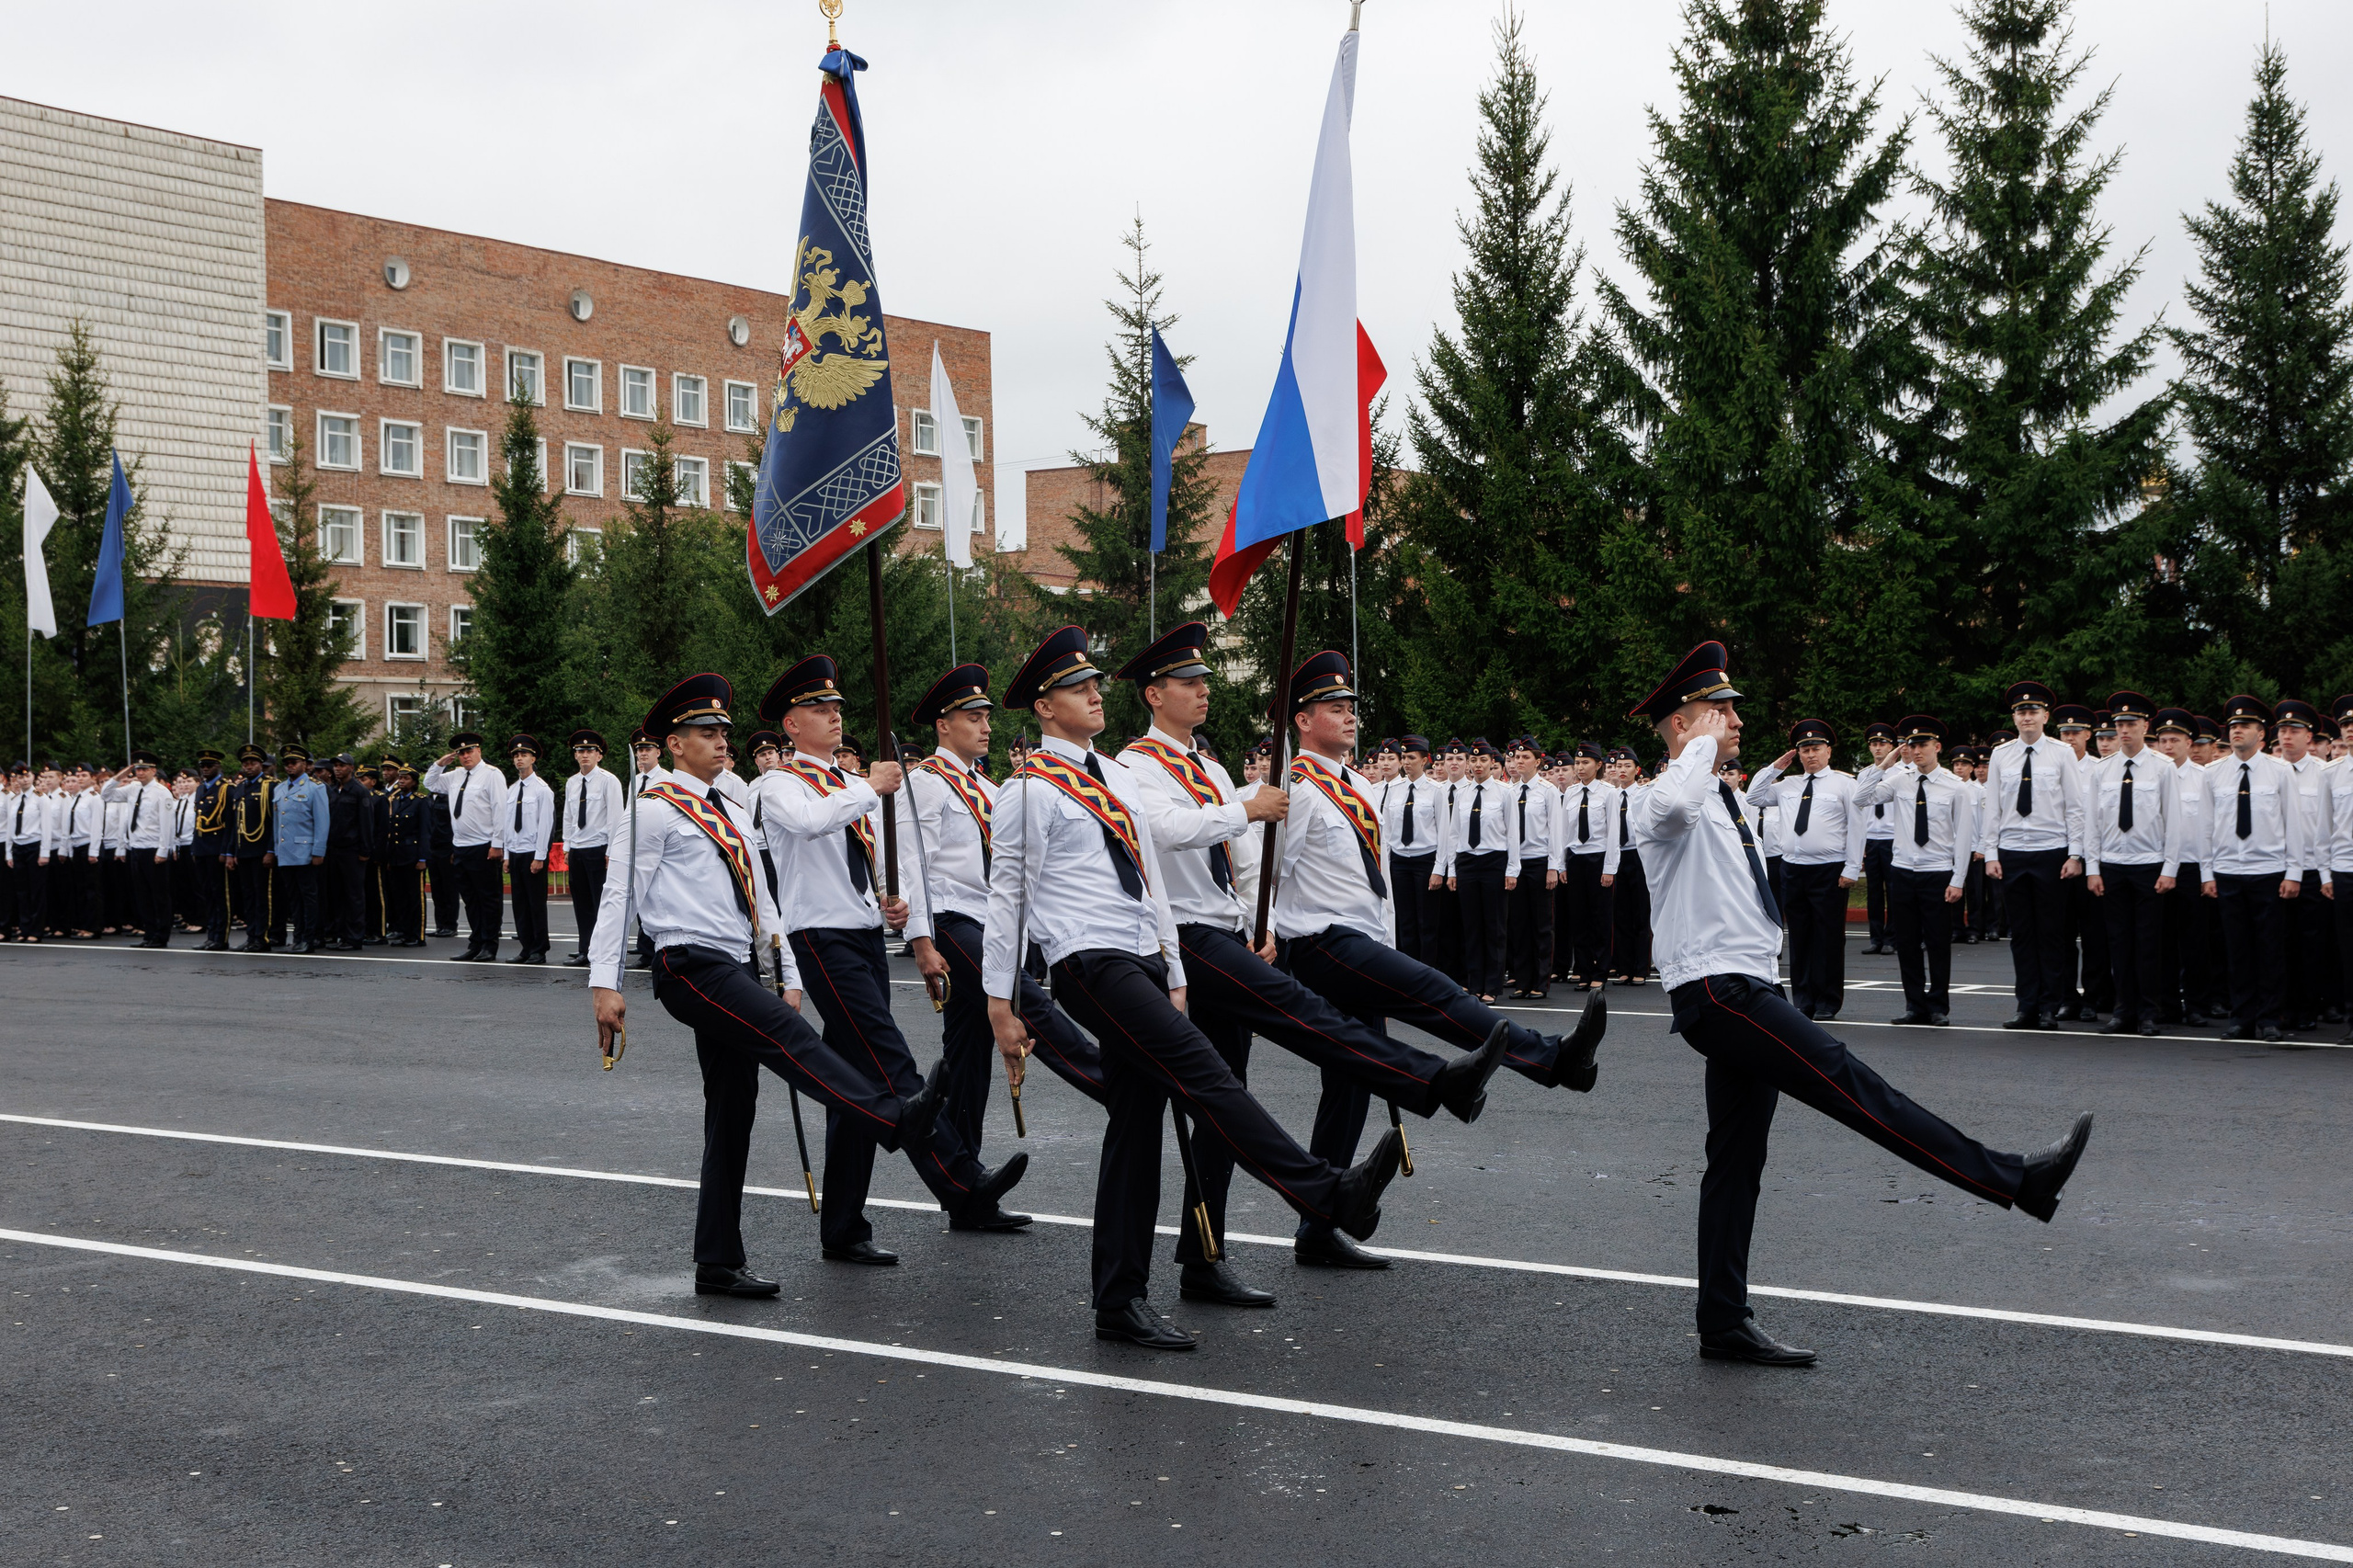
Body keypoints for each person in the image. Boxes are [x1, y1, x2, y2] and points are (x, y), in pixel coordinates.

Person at [1627, 641, 2092, 1368]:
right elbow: (1674, 800)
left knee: (1736, 1159)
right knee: (1850, 1082)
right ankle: (2013, 1179)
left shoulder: (1722, 795)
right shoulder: (1661, 798)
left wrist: (1706, 749)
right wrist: (1694, 748)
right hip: (1719, 993)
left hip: (1747, 985)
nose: (1737, 722)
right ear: (1684, 725)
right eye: (1720, 711)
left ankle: (1721, 1318)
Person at [983, 627, 1407, 1351]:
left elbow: (1150, 885)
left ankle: (1122, 1296)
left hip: (1148, 960)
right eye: (1079, 689)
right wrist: (1001, 1000)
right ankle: (1324, 1191)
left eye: (1094, 684)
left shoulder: (1113, 779)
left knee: (1138, 1124)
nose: (1095, 695)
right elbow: (1007, 899)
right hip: (1089, 962)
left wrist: (1175, 971)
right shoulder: (1026, 789)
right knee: (1205, 1076)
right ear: (1046, 709)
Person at [1112, 628, 1505, 1298]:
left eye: (1205, 681)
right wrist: (1243, 806)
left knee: (1223, 1102)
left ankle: (1202, 1259)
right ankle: (1433, 1083)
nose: (1204, 691)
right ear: (1154, 695)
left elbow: (1241, 864)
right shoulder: (1133, 766)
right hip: (1177, 940)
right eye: (1188, 683)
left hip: (1224, 934)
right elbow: (1166, 831)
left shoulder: (1205, 768)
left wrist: (1257, 919)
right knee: (1304, 1015)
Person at [587, 673, 949, 1299]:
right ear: (674, 744)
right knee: (792, 1041)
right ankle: (893, 1121)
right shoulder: (649, 809)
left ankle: (718, 1260)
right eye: (707, 733)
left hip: (735, 966)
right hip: (688, 965)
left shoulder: (729, 807)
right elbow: (621, 896)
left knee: (733, 1113)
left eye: (724, 732)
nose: (722, 742)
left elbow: (763, 903)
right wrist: (605, 983)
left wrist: (785, 972)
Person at [756, 654, 1029, 1257]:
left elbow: (868, 854)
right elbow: (806, 824)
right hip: (820, 939)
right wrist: (869, 788)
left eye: (836, 709)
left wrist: (888, 901)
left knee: (854, 1082)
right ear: (791, 726)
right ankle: (964, 1184)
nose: (833, 717)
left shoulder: (849, 786)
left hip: (862, 936)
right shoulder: (781, 784)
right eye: (818, 710)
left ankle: (844, 1228)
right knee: (894, 1065)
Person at [898, 660, 1109, 1185]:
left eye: (987, 716)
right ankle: (1112, 1081)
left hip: (982, 921)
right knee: (1024, 1002)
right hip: (950, 921)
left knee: (968, 1053)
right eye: (972, 717)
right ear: (944, 725)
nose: (986, 725)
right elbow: (911, 863)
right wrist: (921, 940)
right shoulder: (926, 782)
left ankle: (963, 1178)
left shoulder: (988, 787)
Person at [1980, 684, 2090, 1030]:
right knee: (2022, 934)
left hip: (2051, 853)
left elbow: (2075, 807)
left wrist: (2075, 854)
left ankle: (2049, 1006)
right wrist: (1991, 853)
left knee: (2052, 934)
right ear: (2014, 718)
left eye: (2033, 712)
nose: (2027, 717)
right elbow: (1993, 806)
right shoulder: (2002, 755)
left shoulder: (2061, 753)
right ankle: (2026, 1005)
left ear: (2045, 717)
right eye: (2020, 712)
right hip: (2012, 854)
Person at [2202, 696, 2310, 1043]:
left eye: (2244, 726)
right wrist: (2208, 873)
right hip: (2228, 870)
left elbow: (2293, 823)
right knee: (2237, 949)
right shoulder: (2214, 773)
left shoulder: (2280, 771)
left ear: (2261, 734)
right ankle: (2241, 1017)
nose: (2236, 731)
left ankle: (2269, 1018)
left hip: (2268, 871)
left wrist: (2294, 872)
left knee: (2269, 949)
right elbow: (2205, 827)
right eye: (2232, 726)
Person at [1855, 717, 1974, 1025]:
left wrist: (1958, 879)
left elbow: (1963, 837)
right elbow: (1860, 798)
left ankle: (1937, 1007)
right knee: (1906, 943)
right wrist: (1884, 765)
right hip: (1903, 871)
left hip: (1936, 872)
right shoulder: (1899, 780)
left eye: (1922, 744)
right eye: (1911, 745)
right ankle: (1914, 1005)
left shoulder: (1955, 787)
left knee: (1937, 942)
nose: (1916, 750)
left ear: (1937, 747)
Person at [1745, 720, 1867, 1020]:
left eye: (1816, 748)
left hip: (1829, 870)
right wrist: (1775, 768)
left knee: (1828, 937)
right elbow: (1753, 796)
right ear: (1797, 754)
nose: (1810, 755)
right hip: (1793, 869)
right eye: (1804, 750)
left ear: (1828, 751)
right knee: (1799, 936)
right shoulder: (1788, 785)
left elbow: (1857, 828)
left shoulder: (1845, 784)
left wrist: (1852, 867)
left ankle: (1827, 1000)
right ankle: (1803, 1000)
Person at [2083, 693, 2185, 1037]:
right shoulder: (2102, 769)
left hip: (2148, 865)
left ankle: (2148, 1013)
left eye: (2131, 724)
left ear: (2145, 727)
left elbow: (2174, 820)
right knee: (2119, 942)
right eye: (2119, 725)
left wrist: (2170, 868)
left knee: (2148, 943)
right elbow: (2092, 823)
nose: (2124, 730)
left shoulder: (2162, 767)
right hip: (2112, 865)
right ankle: (2122, 1011)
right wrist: (2093, 868)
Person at [2273, 699, 2336, 1033]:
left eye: (2294, 731)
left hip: (2312, 870)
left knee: (2311, 943)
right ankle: (2282, 1007)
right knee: (2278, 943)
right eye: (2282, 730)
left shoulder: (2323, 774)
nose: (2287, 737)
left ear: (2309, 737)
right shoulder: (2268, 769)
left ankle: (2309, 1007)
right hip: (2275, 869)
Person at [1440, 740, 1513, 1003]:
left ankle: (1492, 986)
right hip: (1467, 862)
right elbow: (1454, 834)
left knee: (1493, 926)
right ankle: (1474, 983)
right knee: (1471, 926)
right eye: (1474, 761)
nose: (1478, 765)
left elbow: (1512, 834)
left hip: (1494, 861)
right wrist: (1452, 870)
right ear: (1469, 764)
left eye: (1483, 761)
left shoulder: (1505, 793)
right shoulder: (1463, 794)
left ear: (1492, 763)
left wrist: (1512, 870)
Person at [425, 732, 506, 961]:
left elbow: (501, 810)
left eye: (469, 751)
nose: (465, 756)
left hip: (484, 846)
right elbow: (429, 783)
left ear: (479, 750)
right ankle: (476, 943)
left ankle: (490, 944)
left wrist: (497, 844)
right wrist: (439, 764)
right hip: (461, 846)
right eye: (461, 752)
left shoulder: (492, 775)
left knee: (487, 898)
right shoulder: (455, 776)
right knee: (470, 898)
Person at [1500, 736, 1565, 1000]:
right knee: (1519, 924)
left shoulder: (1547, 791)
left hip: (1539, 861)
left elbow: (1555, 831)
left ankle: (1540, 981)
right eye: (1516, 757)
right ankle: (1522, 980)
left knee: (1541, 924)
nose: (1519, 762)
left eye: (1525, 757)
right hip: (1516, 863)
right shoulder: (1510, 792)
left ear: (1538, 762)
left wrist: (1553, 866)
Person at [1559, 743, 1621, 991]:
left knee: (1601, 917)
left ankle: (1601, 971)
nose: (1580, 767)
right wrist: (1561, 864)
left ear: (1598, 765)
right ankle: (1583, 970)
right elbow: (1564, 833)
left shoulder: (1608, 793)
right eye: (1578, 763)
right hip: (1576, 858)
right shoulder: (1571, 794)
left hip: (1598, 858)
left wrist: (1609, 868)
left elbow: (1614, 832)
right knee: (1579, 917)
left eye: (1586, 763)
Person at [97, 751, 176, 948]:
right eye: (137, 769)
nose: (140, 773)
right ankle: (149, 933)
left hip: (153, 849)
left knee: (159, 895)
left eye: (144, 769)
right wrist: (121, 775)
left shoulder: (162, 792)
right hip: (136, 848)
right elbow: (106, 794)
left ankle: (161, 935)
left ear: (153, 771)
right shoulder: (132, 788)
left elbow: (167, 824)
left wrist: (163, 850)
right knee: (142, 895)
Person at [561, 729, 622, 967]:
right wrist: (567, 845)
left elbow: (615, 818)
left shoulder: (608, 781)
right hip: (577, 848)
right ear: (575, 756)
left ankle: (605, 952)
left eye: (589, 750)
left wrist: (611, 851)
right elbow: (568, 815)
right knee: (582, 904)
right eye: (580, 751)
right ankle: (585, 949)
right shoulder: (572, 783)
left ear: (599, 755)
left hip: (598, 850)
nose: (584, 754)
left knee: (602, 905)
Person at [1381, 736, 1439, 963]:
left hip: (1425, 861)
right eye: (1404, 757)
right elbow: (1386, 833)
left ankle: (1429, 971)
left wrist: (1440, 868)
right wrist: (1385, 866)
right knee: (1405, 922)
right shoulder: (1394, 789)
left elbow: (1444, 832)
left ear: (1424, 760)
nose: (1406, 762)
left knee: (1427, 922)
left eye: (1411, 758)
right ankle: (1409, 970)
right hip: (1400, 861)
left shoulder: (1435, 790)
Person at [497, 735, 555, 963]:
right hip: (516, 852)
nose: (519, 759)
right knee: (519, 903)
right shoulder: (512, 790)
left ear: (533, 758)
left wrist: (540, 856)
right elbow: (508, 825)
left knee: (535, 904)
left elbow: (545, 826)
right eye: (516, 756)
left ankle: (539, 949)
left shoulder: (542, 790)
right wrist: (506, 854)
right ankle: (525, 946)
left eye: (524, 755)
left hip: (533, 853)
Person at [271, 745, 331, 953]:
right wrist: (275, 850)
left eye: (294, 763)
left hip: (305, 852)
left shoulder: (315, 787)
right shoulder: (279, 789)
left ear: (304, 765)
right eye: (287, 763)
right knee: (294, 898)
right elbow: (277, 823)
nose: (290, 766)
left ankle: (310, 938)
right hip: (286, 852)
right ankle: (297, 938)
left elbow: (323, 822)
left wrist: (318, 851)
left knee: (309, 898)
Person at [1606, 748, 1655, 986]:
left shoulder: (1644, 793)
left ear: (1636, 770)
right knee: (1621, 913)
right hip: (1617, 855)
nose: (1622, 771)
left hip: (1639, 855)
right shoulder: (1611, 795)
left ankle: (1640, 968)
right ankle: (1624, 968)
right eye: (1618, 766)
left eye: (1627, 766)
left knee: (1641, 912)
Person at [321, 753, 375, 950]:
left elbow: (366, 823)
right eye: (335, 765)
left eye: (342, 766)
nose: (337, 769)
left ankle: (354, 938)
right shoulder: (333, 790)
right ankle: (340, 934)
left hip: (352, 851)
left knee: (354, 896)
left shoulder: (359, 792)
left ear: (351, 768)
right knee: (337, 895)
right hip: (334, 850)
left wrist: (365, 851)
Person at [1855, 721, 1900, 953]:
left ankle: (1892, 938)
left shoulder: (1903, 774)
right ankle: (1876, 938)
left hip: (1894, 839)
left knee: (1894, 891)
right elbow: (1858, 811)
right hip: (1872, 839)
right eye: (1874, 743)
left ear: (1892, 746)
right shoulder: (1864, 775)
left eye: (1883, 743)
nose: (1878, 748)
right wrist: (1860, 844)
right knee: (1874, 891)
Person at [227, 745, 276, 950]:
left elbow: (275, 822)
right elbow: (234, 823)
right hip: (243, 850)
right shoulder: (240, 788)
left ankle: (262, 937)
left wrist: (271, 850)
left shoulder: (271, 786)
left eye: (253, 763)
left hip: (261, 850)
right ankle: (251, 936)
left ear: (261, 765)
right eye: (245, 764)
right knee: (248, 896)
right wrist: (231, 852)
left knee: (262, 896)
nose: (248, 767)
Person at [8, 762, 55, 942]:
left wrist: (44, 853)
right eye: (20, 777)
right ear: (17, 780)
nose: (24, 779)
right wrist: (8, 853)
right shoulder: (14, 799)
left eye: (27, 776)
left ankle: (36, 930)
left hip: (34, 846)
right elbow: (12, 828)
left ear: (33, 777)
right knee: (21, 891)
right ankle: (25, 927)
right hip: (18, 847)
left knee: (36, 891)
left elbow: (46, 827)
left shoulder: (41, 798)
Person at [383, 767, 428, 946]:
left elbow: (425, 831)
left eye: (406, 778)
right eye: (400, 778)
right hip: (396, 856)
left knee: (415, 897)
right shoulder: (394, 800)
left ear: (414, 782)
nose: (402, 781)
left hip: (413, 856)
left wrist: (423, 858)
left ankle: (418, 935)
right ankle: (403, 931)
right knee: (399, 897)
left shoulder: (420, 802)